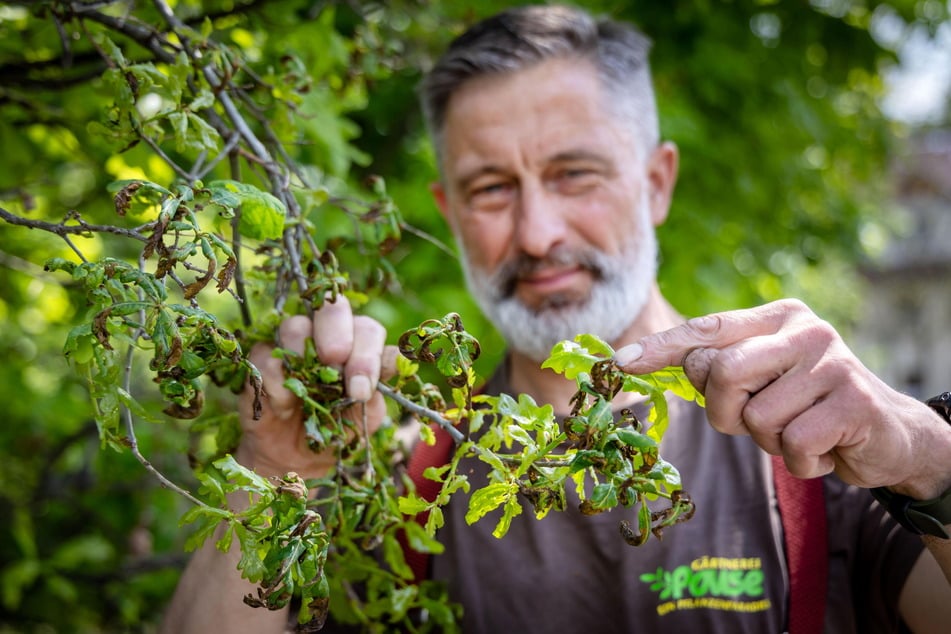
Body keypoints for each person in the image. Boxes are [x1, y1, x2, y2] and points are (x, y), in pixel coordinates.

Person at [161, 5, 951, 633]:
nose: (537, 234)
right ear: (449, 210)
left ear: (656, 182)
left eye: (574, 174)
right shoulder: (402, 476)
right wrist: (272, 472)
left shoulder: (813, 445)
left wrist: (926, 458)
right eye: (491, 189)